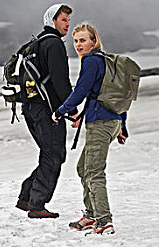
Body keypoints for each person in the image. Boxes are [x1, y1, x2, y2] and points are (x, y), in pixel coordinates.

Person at [52, 22, 128, 234]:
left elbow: (81, 91)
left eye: (83, 40)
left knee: (94, 172)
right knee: (83, 168)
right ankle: (92, 215)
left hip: (101, 123)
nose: (78, 45)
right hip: (111, 121)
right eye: (76, 41)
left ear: (94, 41)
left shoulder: (92, 61)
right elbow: (117, 92)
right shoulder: (105, 61)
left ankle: (104, 221)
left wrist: (61, 110)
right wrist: (122, 123)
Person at [15, 4, 78, 218]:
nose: (67, 25)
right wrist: (72, 109)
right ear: (52, 20)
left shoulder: (37, 43)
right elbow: (60, 81)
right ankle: (36, 205)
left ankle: (26, 198)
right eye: (63, 20)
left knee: (49, 154)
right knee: (54, 155)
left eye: (69, 21)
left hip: (31, 108)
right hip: (47, 111)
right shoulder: (54, 44)